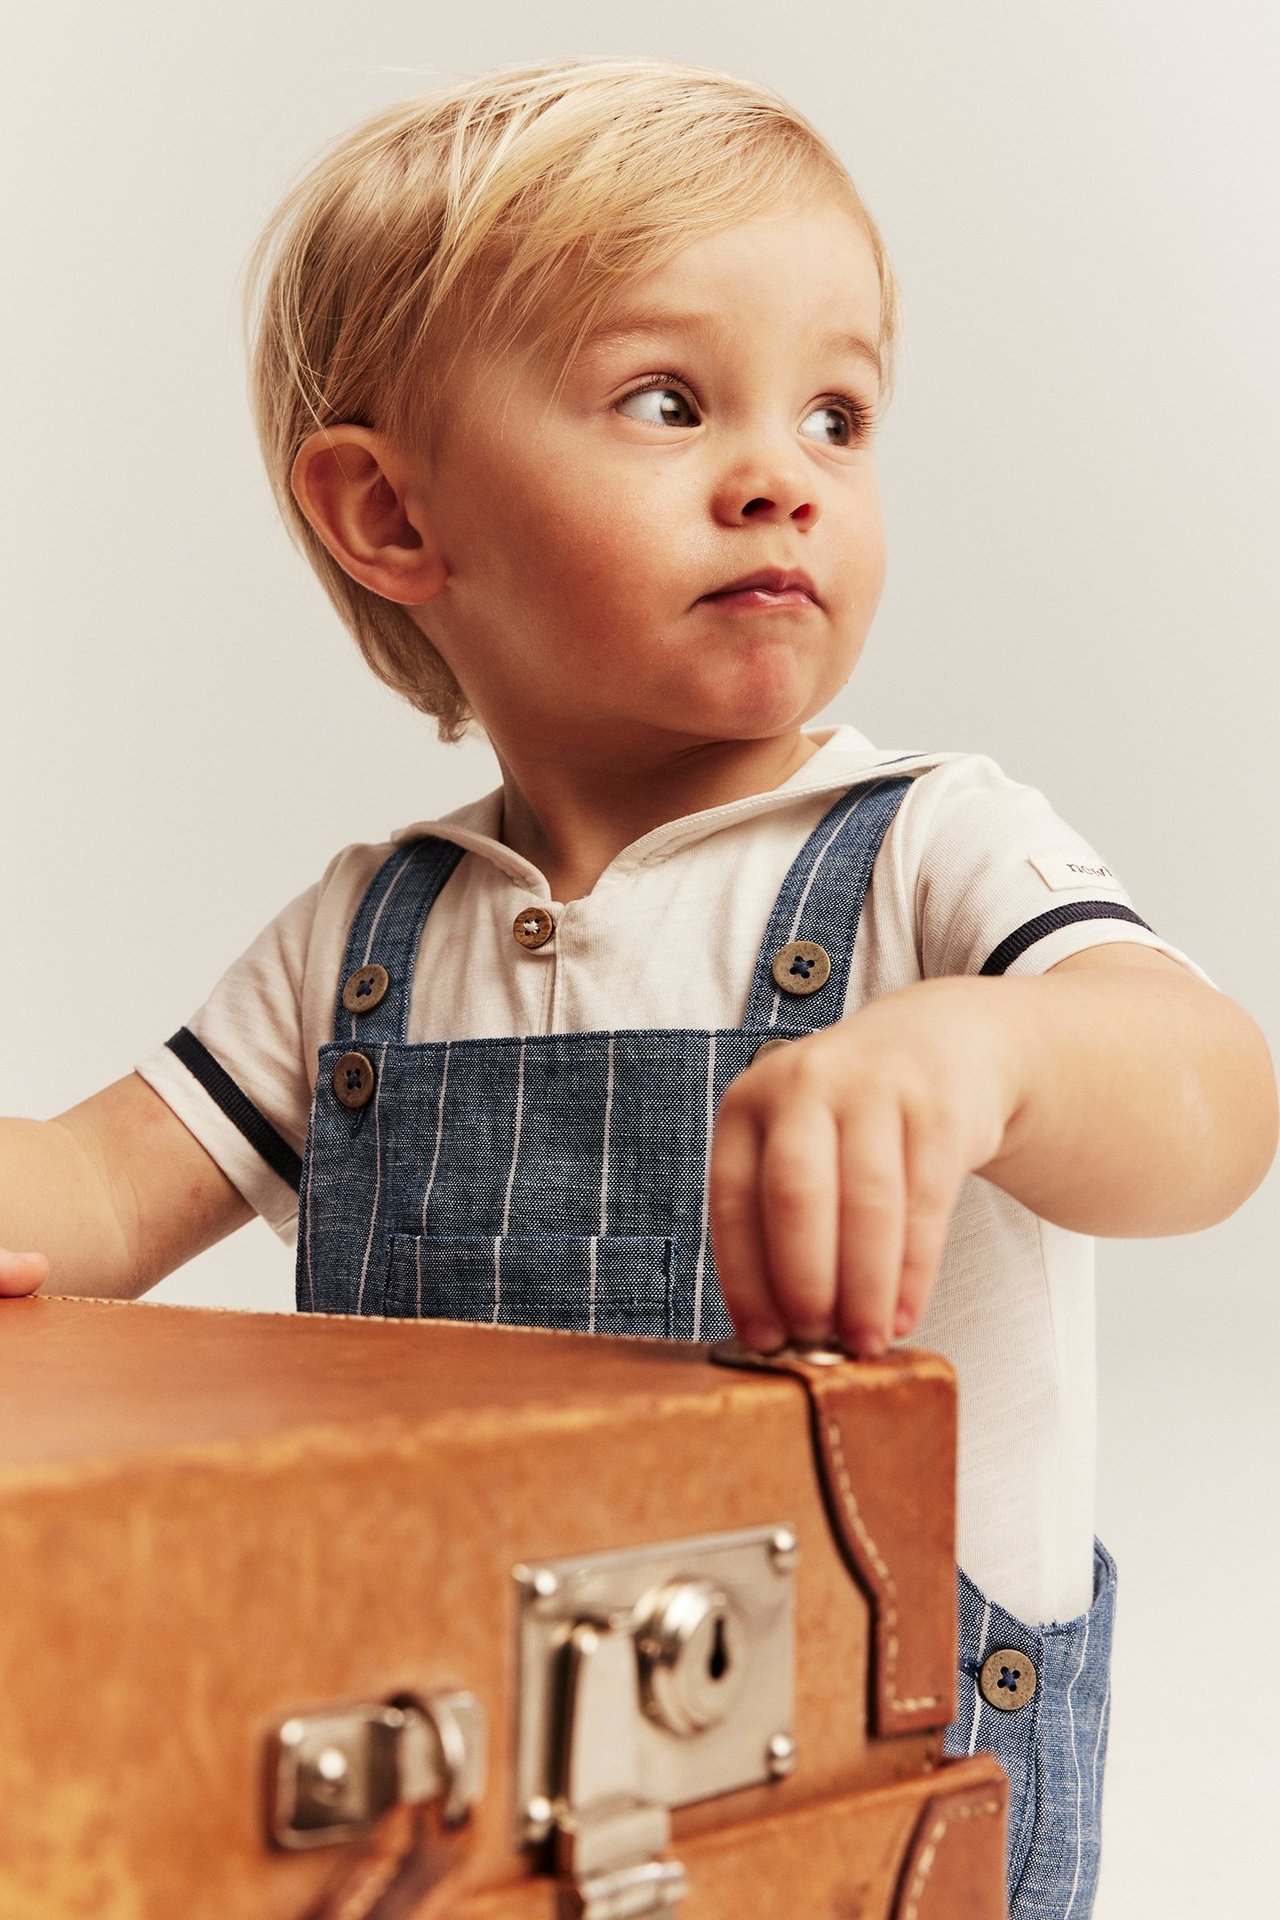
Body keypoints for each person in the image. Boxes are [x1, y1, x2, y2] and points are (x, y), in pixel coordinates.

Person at [1, 57, 1274, 1917]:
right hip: (460, 1788)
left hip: (850, 1788)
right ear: (392, 519)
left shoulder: (932, 846)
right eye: (670, 402)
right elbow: (106, 1188)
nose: (782, 479)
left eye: (839, 416)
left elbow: (1214, 1102)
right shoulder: (377, 929)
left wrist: (988, 1047)